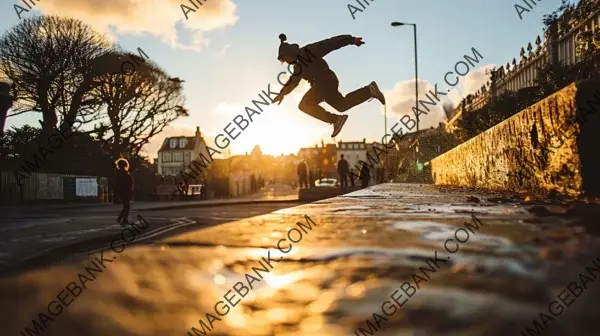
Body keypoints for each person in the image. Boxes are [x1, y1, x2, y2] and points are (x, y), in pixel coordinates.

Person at [272, 33, 386, 137]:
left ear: (288, 54)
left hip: (325, 80)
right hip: (326, 84)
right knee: (342, 105)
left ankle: (336, 120)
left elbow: (329, 43)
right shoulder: (297, 67)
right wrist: (282, 94)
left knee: (304, 105)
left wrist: (350, 40)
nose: (285, 62)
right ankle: (369, 90)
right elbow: (293, 82)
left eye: (284, 59)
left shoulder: (308, 51)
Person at [114, 158, 133, 226]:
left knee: (126, 206)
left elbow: (116, 184)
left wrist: (117, 193)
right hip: (125, 192)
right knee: (127, 206)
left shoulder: (118, 173)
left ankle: (121, 218)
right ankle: (123, 219)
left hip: (122, 192)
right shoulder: (125, 173)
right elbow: (129, 183)